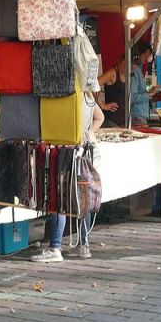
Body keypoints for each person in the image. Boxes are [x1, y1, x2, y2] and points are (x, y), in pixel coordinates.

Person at [32, 97, 105, 263]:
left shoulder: (66, 96)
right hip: (85, 151)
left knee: (59, 197)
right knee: (82, 196)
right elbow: (100, 117)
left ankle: (55, 247)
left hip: (66, 151)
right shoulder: (87, 96)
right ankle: (83, 244)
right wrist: (87, 133)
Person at [129, 42, 158, 124]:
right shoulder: (134, 70)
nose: (146, 59)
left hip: (141, 114)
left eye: (148, 57)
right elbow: (132, 97)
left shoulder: (139, 70)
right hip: (137, 116)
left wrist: (151, 93)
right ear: (138, 54)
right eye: (145, 56)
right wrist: (150, 94)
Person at [97, 60, 126, 127]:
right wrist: (102, 105)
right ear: (119, 63)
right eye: (125, 64)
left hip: (123, 120)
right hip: (111, 119)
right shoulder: (113, 73)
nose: (127, 67)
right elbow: (94, 84)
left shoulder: (128, 75)